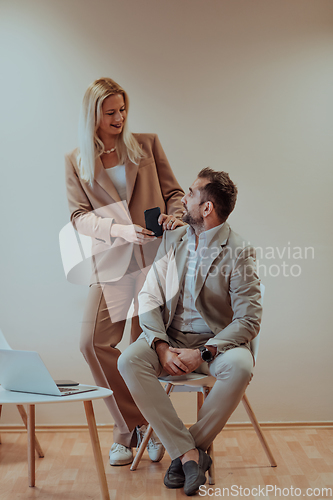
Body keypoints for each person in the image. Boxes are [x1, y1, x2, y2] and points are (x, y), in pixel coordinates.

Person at [118, 168, 262, 495]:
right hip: (170, 339)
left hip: (215, 345)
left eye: (192, 193)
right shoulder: (176, 238)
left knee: (241, 366)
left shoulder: (239, 251)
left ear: (207, 208)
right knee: (128, 361)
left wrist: (204, 351)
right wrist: (160, 346)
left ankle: (184, 450)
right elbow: (150, 296)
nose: (184, 198)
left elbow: (248, 319)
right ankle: (189, 454)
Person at [64, 77, 185, 466]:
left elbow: (175, 192)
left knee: (141, 350)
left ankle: (145, 432)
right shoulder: (76, 161)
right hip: (112, 263)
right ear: (94, 115)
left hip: (154, 260)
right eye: (111, 111)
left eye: (122, 110)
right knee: (92, 343)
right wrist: (117, 229)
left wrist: (175, 215)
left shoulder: (145, 145)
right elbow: (78, 217)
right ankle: (133, 426)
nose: (120, 117)